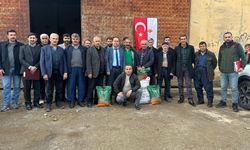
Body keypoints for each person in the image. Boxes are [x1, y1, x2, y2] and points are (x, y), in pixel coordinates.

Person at [216, 32, 246, 112]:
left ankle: (235, 104)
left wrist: (242, 67)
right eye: (226, 37)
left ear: (231, 37)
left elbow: (243, 57)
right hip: (223, 72)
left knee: (234, 88)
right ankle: (223, 101)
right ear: (224, 38)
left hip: (233, 72)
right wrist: (220, 67)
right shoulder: (222, 47)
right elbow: (220, 58)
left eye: (229, 37)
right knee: (223, 88)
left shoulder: (237, 46)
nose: (227, 38)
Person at [40, 33, 68, 112]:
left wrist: (65, 72)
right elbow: (42, 62)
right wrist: (44, 73)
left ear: (58, 40)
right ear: (50, 39)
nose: (55, 40)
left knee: (59, 88)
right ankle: (48, 104)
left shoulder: (61, 49)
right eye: (53, 39)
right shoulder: (44, 49)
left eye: (56, 39)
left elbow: (64, 61)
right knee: (49, 89)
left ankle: (58, 102)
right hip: (49, 73)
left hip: (59, 72)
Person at [0, 29, 23, 112]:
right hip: (6, 69)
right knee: (6, 87)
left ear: (16, 36)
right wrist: (0, 68)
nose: (13, 36)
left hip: (17, 69)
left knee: (17, 87)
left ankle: (14, 103)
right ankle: (6, 104)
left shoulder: (21, 45)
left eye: (14, 35)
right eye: (11, 35)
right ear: (7, 36)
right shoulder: (2, 45)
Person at [19, 33, 41, 110]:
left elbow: (41, 59)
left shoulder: (40, 48)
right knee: (27, 88)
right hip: (26, 70)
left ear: (36, 39)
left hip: (37, 70)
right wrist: (30, 66)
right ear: (28, 39)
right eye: (30, 38)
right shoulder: (22, 48)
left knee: (37, 88)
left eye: (33, 38)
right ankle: (28, 103)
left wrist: (36, 66)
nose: (32, 39)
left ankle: (36, 102)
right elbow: (21, 59)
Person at [65, 33, 87, 108]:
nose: (75, 40)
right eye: (74, 39)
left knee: (81, 85)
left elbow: (86, 60)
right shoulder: (68, 48)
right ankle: (72, 100)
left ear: (79, 40)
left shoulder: (83, 48)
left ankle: (80, 100)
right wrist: (66, 71)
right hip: (71, 70)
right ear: (71, 39)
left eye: (76, 39)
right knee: (71, 86)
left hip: (81, 69)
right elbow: (65, 60)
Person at [194, 41, 217, 107]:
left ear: (206, 46)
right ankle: (200, 100)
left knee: (208, 88)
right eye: (201, 46)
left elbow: (214, 63)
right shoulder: (196, 54)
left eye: (203, 46)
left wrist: (210, 70)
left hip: (206, 73)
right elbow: (194, 62)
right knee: (197, 87)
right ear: (199, 47)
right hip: (197, 72)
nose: (202, 47)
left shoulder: (211, 54)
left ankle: (210, 102)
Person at [175, 34, 195, 106]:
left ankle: (190, 98)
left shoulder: (191, 48)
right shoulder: (177, 48)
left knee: (188, 84)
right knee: (180, 84)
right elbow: (175, 59)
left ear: (186, 40)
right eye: (181, 39)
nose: (183, 40)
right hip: (179, 68)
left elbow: (193, 58)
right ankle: (181, 97)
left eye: (184, 39)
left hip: (188, 68)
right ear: (180, 40)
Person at [86, 36, 106, 107]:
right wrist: (89, 72)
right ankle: (89, 101)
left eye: (99, 41)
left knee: (99, 88)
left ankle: (96, 101)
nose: (98, 42)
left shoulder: (103, 49)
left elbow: (105, 60)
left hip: (101, 73)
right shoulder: (90, 50)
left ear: (101, 42)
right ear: (94, 42)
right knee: (91, 88)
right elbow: (88, 62)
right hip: (93, 73)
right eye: (96, 41)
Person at [39, 33, 49, 104]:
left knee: (48, 85)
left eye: (46, 38)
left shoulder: (50, 47)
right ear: (40, 39)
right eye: (43, 38)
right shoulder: (37, 47)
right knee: (40, 84)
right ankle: (41, 97)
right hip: (39, 69)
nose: (44, 40)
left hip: (48, 69)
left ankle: (48, 98)